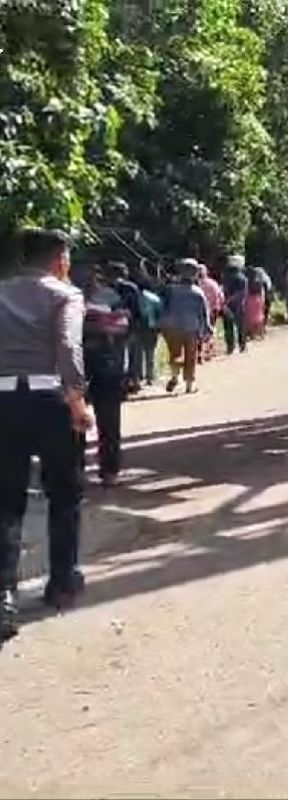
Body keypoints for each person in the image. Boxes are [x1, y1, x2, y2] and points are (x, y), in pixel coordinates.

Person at [0, 228, 92, 636]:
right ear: (60, 259)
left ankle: (4, 596)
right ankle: (62, 581)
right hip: (51, 400)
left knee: (5, 500)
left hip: (3, 401)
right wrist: (78, 402)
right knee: (65, 493)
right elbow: (68, 348)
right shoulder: (65, 295)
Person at [81, 266, 130, 488]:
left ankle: (109, 470)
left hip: (105, 364)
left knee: (108, 421)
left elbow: (123, 325)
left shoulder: (111, 297)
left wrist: (91, 324)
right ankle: (77, 468)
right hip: (78, 365)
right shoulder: (62, 295)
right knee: (72, 420)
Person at [159, 259, 213, 394]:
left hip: (172, 326)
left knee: (175, 354)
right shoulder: (198, 292)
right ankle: (189, 385)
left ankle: (174, 376)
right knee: (191, 356)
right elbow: (203, 313)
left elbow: (163, 306)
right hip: (191, 328)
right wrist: (207, 328)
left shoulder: (171, 290)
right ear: (195, 274)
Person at [107, 262, 145, 393]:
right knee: (133, 355)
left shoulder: (106, 288)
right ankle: (134, 381)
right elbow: (138, 309)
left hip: (109, 327)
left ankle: (118, 382)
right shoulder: (131, 288)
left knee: (116, 355)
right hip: (130, 326)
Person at [196, 264, 224, 362]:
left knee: (199, 331)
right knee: (209, 330)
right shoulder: (213, 283)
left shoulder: (196, 285)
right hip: (213, 310)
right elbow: (221, 296)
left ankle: (200, 353)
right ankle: (208, 352)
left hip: (199, 311)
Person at [222, 257, 249, 354]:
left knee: (228, 326)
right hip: (238, 304)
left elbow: (223, 290)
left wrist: (226, 301)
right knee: (241, 325)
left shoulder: (225, 277)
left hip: (227, 304)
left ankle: (230, 347)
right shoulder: (242, 278)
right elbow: (242, 293)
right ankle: (242, 345)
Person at [246, 265, 268, 339]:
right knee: (260, 317)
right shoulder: (259, 282)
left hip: (250, 299)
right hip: (258, 300)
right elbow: (262, 292)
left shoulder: (247, 281)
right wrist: (263, 301)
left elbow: (246, 292)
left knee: (250, 317)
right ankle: (261, 334)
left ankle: (252, 334)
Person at [251, 264, 274, 333]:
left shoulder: (257, 280)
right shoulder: (266, 279)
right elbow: (270, 288)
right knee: (264, 313)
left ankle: (260, 328)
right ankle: (262, 327)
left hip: (261, 299)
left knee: (261, 313)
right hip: (264, 299)